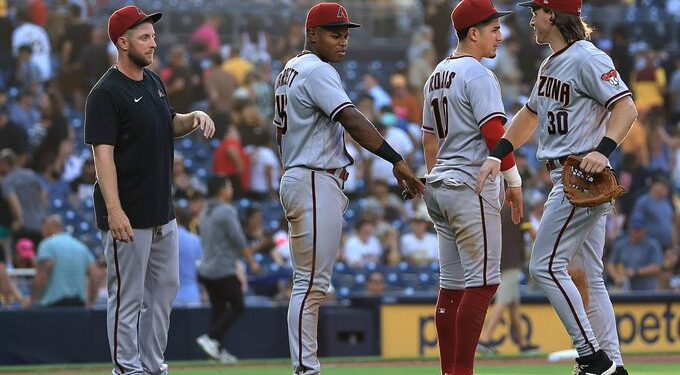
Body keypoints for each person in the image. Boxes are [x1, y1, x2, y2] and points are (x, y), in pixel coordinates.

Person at [477, 1, 638, 374]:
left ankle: (591, 357)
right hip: (564, 173)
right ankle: (612, 364)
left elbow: (626, 108)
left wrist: (604, 149)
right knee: (588, 277)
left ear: (553, 15)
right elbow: (528, 116)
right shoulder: (551, 62)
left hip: (579, 173)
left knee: (545, 266)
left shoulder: (588, 57)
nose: (531, 18)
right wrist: (496, 154)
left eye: (536, 11)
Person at [274, 3, 424, 374]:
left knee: (309, 284)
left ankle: (305, 366)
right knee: (311, 286)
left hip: (306, 176)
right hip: (312, 178)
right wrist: (396, 159)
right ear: (312, 34)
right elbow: (353, 120)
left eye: (345, 34)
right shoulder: (316, 70)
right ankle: (305, 369)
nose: (343, 41)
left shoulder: (289, 70)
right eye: (333, 34)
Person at [83, 6, 216, 375]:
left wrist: (193, 119)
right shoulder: (105, 93)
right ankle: (127, 368)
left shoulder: (153, 82)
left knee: (164, 293)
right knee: (127, 298)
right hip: (129, 215)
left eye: (153, 35)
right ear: (122, 43)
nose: (153, 42)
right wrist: (114, 210)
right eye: (144, 37)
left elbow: (168, 122)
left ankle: (152, 366)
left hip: (163, 212)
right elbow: (102, 156)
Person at [420, 1, 522, 374]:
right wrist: (514, 181)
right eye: (494, 28)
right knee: (482, 286)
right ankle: (461, 372)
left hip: (440, 186)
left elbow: (429, 139)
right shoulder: (478, 75)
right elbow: (495, 134)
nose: (501, 34)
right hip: (468, 184)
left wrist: (436, 178)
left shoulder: (436, 74)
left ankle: (450, 371)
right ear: (473, 33)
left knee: (452, 288)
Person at [195, 176, 259, 364]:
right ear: (222, 190)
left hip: (205, 269)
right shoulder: (226, 211)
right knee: (238, 304)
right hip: (222, 268)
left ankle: (218, 350)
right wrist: (252, 263)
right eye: (229, 186)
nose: (231, 189)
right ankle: (211, 337)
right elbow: (239, 241)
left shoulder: (205, 209)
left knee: (219, 308)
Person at [477, 207, 540, 355]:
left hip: (496, 260)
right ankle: (485, 339)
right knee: (503, 300)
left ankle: (523, 343)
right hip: (512, 262)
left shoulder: (496, 207)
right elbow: (533, 234)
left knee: (513, 305)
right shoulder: (517, 207)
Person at [21, 215, 98, 308]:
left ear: (50, 227)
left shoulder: (47, 245)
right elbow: (95, 275)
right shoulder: (81, 246)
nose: (42, 231)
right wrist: (91, 301)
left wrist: (31, 299)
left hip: (53, 306)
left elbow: (42, 276)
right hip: (78, 305)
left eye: (44, 227)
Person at [606, 215, 663, 291]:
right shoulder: (621, 244)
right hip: (626, 290)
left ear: (644, 230)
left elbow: (657, 267)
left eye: (639, 229)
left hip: (648, 291)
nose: (636, 232)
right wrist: (616, 276)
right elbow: (610, 264)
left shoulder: (652, 245)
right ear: (630, 229)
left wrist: (636, 272)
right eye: (634, 229)